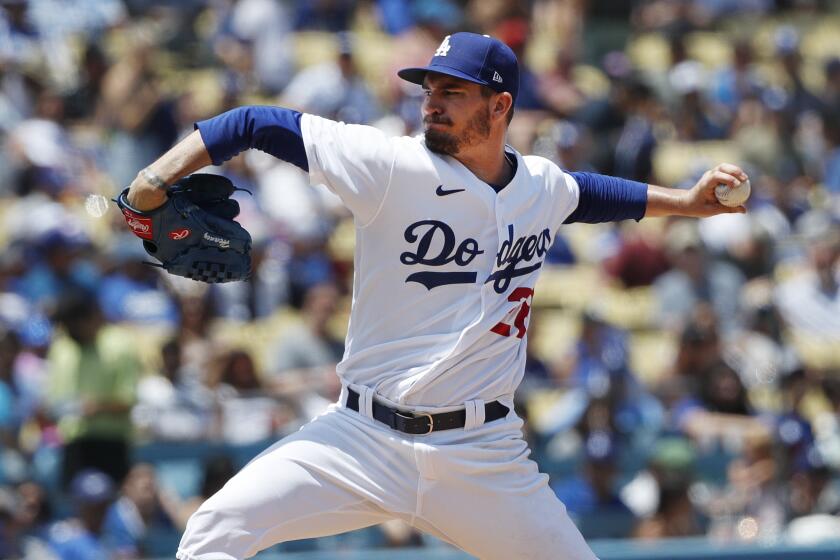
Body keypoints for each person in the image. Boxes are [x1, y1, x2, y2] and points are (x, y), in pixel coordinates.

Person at [125, 31, 748, 560]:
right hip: (361, 439)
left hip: (482, 456)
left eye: (453, 91)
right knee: (214, 530)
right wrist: (155, 179)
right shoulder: (392, 166)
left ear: (499, 105)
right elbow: (252, 122)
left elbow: (591, 193)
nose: (433, 104)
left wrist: (684, 204)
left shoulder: (540, 186)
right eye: (430, 90)